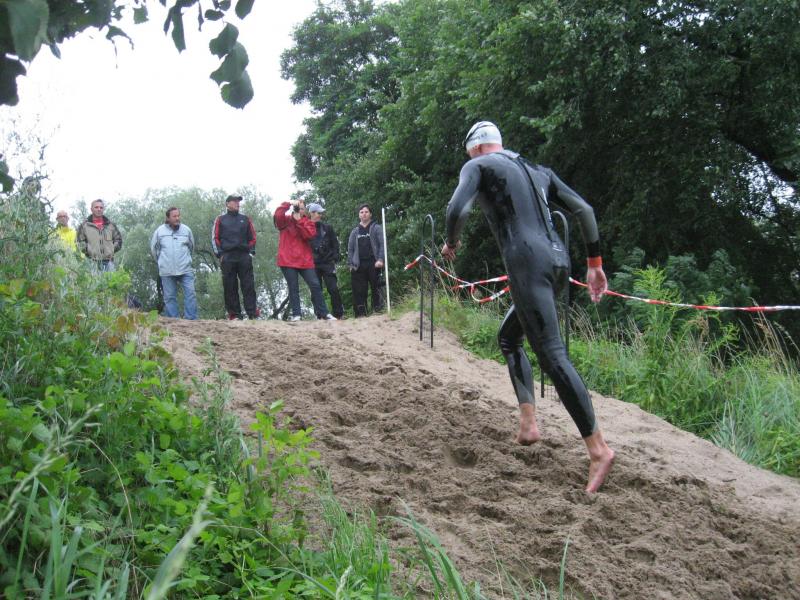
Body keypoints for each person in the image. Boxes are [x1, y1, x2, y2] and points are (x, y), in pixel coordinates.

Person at [442, 121, 615, 493]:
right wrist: (595, 264)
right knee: (509, 337)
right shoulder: (538, 170)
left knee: (552, 354)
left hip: (527, 262)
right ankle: (528, 425)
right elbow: (584, 210)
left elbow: (456, 208)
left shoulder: (477, 166)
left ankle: (599, 450)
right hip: (559, 261)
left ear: (475, 148)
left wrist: (451, 243)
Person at [274, 199, 336, 321]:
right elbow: (277, 216)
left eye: (302, 208)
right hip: (287, 260)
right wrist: (288, 203)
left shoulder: (308, 222)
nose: (300, 210)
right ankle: (297, 314)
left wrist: (299, 221)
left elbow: (309, 235)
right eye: (298, 208)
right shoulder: (285, 221)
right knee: (293, 287)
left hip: (304, 260)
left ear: (305, 211)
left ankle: (324, 313)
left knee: (315, 285)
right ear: (294, 209)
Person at [211, 194, 259, 320]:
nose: (238, 203)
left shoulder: (245, 219)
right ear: (227, 204)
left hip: (244, 256)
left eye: (238, 201)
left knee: (248, 285)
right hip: (227, 256)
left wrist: (251, 252)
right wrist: (220, 254)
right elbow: (215, 238)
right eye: (235, 201)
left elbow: (252, 237)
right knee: (230, 286)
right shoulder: (220, 219)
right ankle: (234, 314)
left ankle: (252, 313)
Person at [150, 207, 197, 320]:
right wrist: (161, 262)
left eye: (178, 216)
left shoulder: (186, 230)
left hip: (185, 269)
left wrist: (187, 260)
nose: (177, 218)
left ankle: (191, 320)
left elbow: (191, 247)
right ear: (168, 218)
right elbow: (154, 250)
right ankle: (173, 321)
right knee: (169, 297)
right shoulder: (159, 232)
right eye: (174, 216)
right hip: (167, 270)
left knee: (190, 294)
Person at [307, 203, 345, 319]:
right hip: (312, 264)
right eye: (318, 213)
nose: (320, 215)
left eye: (321, 213)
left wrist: (334, 257)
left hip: (328, 263)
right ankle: (319, 315)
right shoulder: (306, 228)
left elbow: (335, 243)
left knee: (333, 288)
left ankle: (339, 314)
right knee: (315, 290)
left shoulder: (328, 228)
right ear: (312, 213)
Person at [347, 204, 385, 317]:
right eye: (361, 212)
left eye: (366, 212)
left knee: (377, 288)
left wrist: (380, 259)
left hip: (374, 263)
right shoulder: (355, 231)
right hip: (358, 265)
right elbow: (350, 249)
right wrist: (350, 264)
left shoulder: (377, 228)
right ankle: (361, 314)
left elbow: (382, 245)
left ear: (370, 214)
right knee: (359, 291)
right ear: (359, 215)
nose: (364, 214)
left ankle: (378, 311)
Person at [76, 199, 123, 271]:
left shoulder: (111, 225)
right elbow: (79, 242)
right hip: (92, 263)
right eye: (96, 207)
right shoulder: (84, 226)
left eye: (101, 207)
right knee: (93, 279)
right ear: (91, 209)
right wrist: (89, 252)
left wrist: (111, 250)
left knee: (111, 278)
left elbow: (119, 240)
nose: (99, 209)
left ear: (103, 209)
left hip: (109, 262)